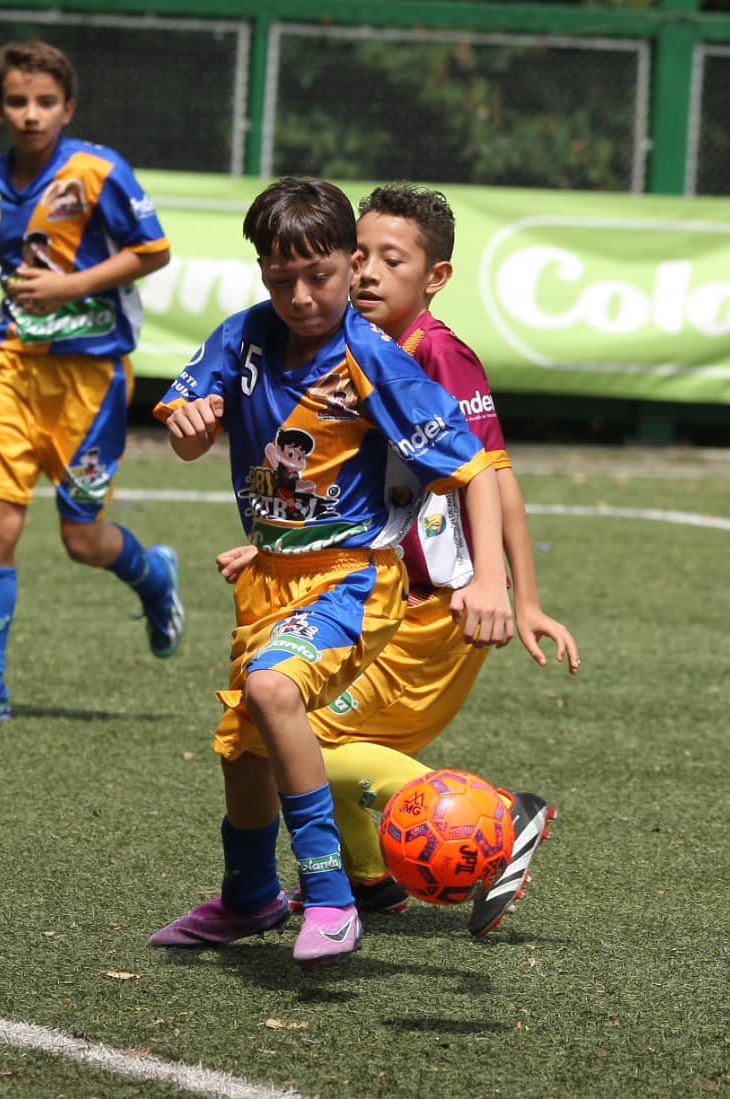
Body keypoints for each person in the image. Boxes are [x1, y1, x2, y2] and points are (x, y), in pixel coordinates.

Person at [148, 177, 513, 968]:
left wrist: (494, 582)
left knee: (277, 693)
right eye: (282, 280)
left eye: (319, 277)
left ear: (349, 265)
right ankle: (248, 897)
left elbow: (478, 468)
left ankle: (330, 895)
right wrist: (189, 423)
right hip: (271, 576)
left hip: (356, 576)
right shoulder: (241, 336)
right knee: (242, 746)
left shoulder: (376, 360)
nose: (302, 295)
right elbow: (185, 434)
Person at [220, 183, 582, 940]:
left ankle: (497, 821)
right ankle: (370, 883)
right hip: (375, 584)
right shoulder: (350, 348)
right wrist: (274, 541)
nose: (370, 273)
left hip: (429, 606)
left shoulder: (434, 352)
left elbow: (491, 472)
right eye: (361, 256)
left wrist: (512, 589)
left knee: (292, 730)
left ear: (436, 277)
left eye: (393, 259)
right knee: (290, 725)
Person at [0, 40, 181, 724]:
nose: (31, 114)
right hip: (13, 364)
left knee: (81, 538)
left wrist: (73, 284)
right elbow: (6, 257)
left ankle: (155, 576)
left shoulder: (98, 171)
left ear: (68, 107)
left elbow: (153, 249)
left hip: (90, 378)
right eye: (17, 101)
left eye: (45, 102)